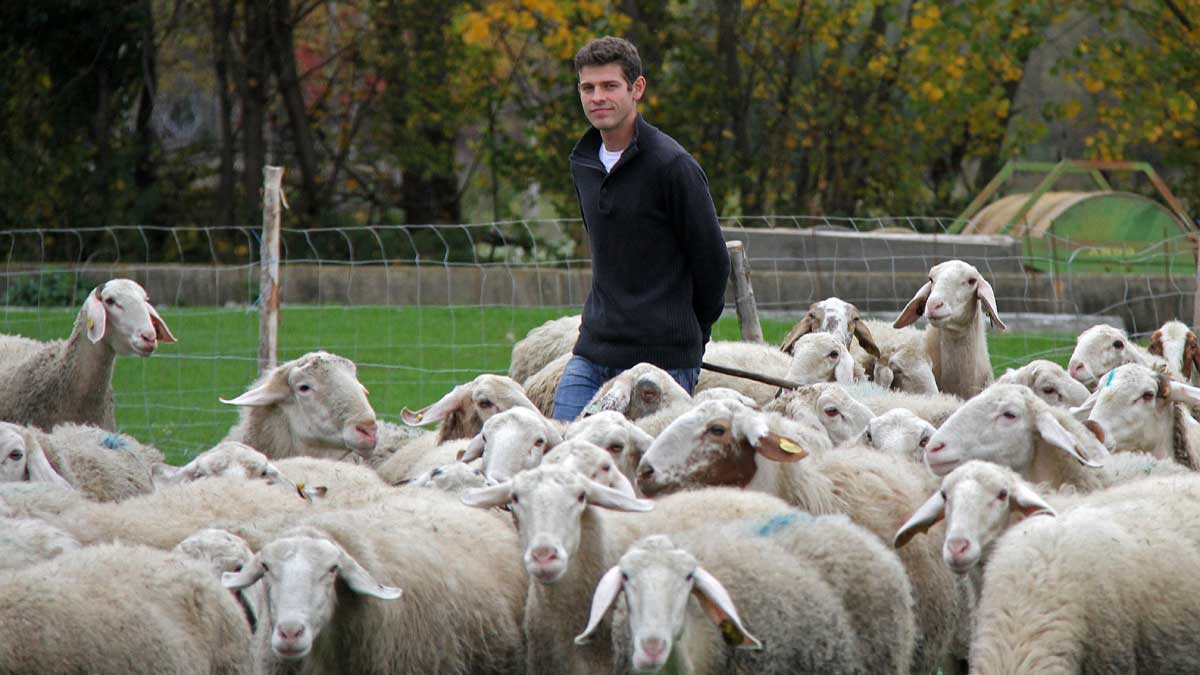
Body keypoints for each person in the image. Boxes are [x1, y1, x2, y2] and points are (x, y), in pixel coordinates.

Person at [552, 36, 730, 422]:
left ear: (637, 89)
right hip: (593, 352)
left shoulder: (673, 167)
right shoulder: (583, 163)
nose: (597, 97)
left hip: (663, 362)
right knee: (562, 456)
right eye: (588, 87)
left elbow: (713, 263)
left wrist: (689, 337)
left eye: (610, 86)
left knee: (647, 474)